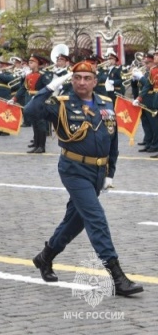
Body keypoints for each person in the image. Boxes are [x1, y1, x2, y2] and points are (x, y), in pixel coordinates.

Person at [25, 60, 143, 296]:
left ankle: (45, 256)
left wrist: (110, 172)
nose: (81, 82)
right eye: (77, 78)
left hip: (97, 172)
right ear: (72, 80)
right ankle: (117, 276)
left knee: (76, 220)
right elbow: (29, 112)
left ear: (94, 81)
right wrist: (50, 88)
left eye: (87, 78)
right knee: (96, 218)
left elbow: (113, 142)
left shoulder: (106, 105)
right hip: (74, 168)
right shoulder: (62, 104)